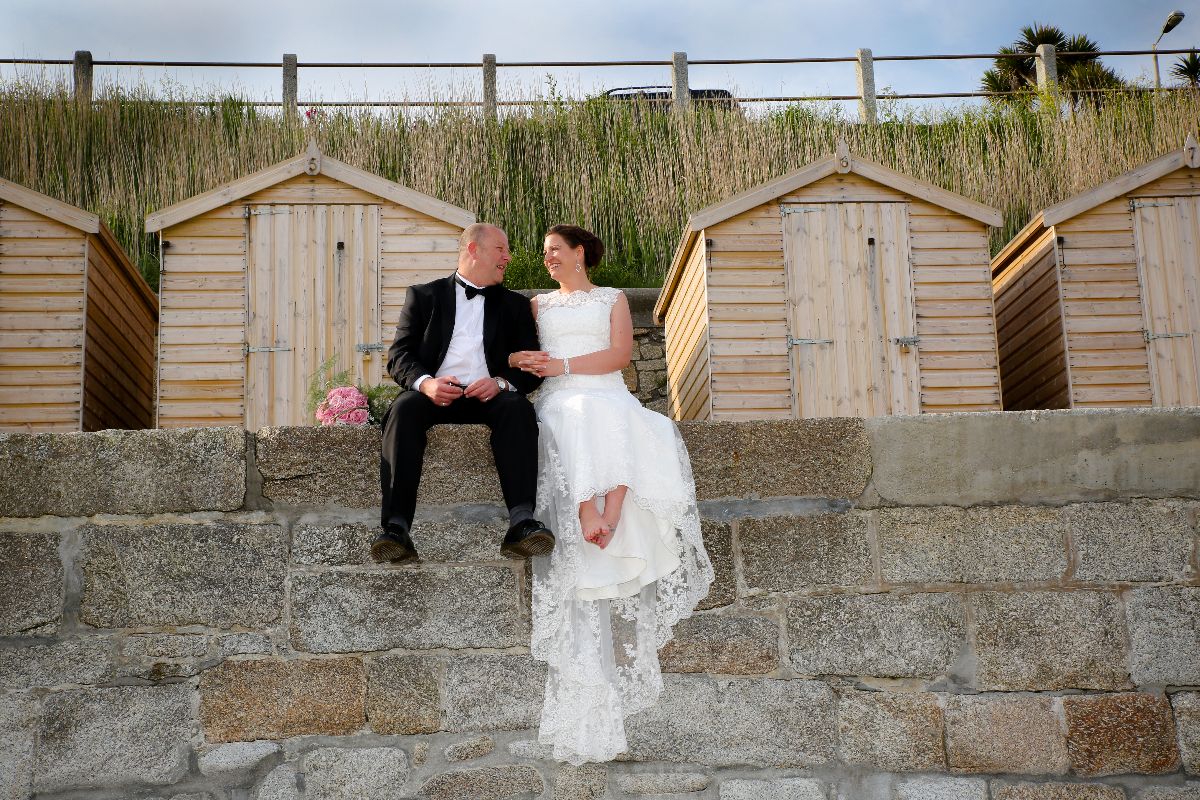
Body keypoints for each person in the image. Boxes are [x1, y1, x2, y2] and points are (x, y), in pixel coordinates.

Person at [511, 224, 713, 765]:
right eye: (545, 252)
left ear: (580, 252)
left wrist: (564, 364)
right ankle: (586, 509)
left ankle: (613, 508)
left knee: (641, 421)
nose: (548, 258)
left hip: (604, 387)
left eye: (555, 250)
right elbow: (521, 355)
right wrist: (527, 363)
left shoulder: (613, 299)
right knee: (572, 416)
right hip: (560, 397)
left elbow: (622, 355)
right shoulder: (537, 306)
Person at [376, 223, 554, 563]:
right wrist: (427, 383)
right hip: (435, 395)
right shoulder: (423, 296)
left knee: (518, 409)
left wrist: (499, 382)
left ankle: (521, 521)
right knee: (404, 408)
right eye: (501, 249)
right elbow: (399, 356)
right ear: (473, 249)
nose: (508, 257)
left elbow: (531, 367)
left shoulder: (515, 306)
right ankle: (396, 528)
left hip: (491, 397)